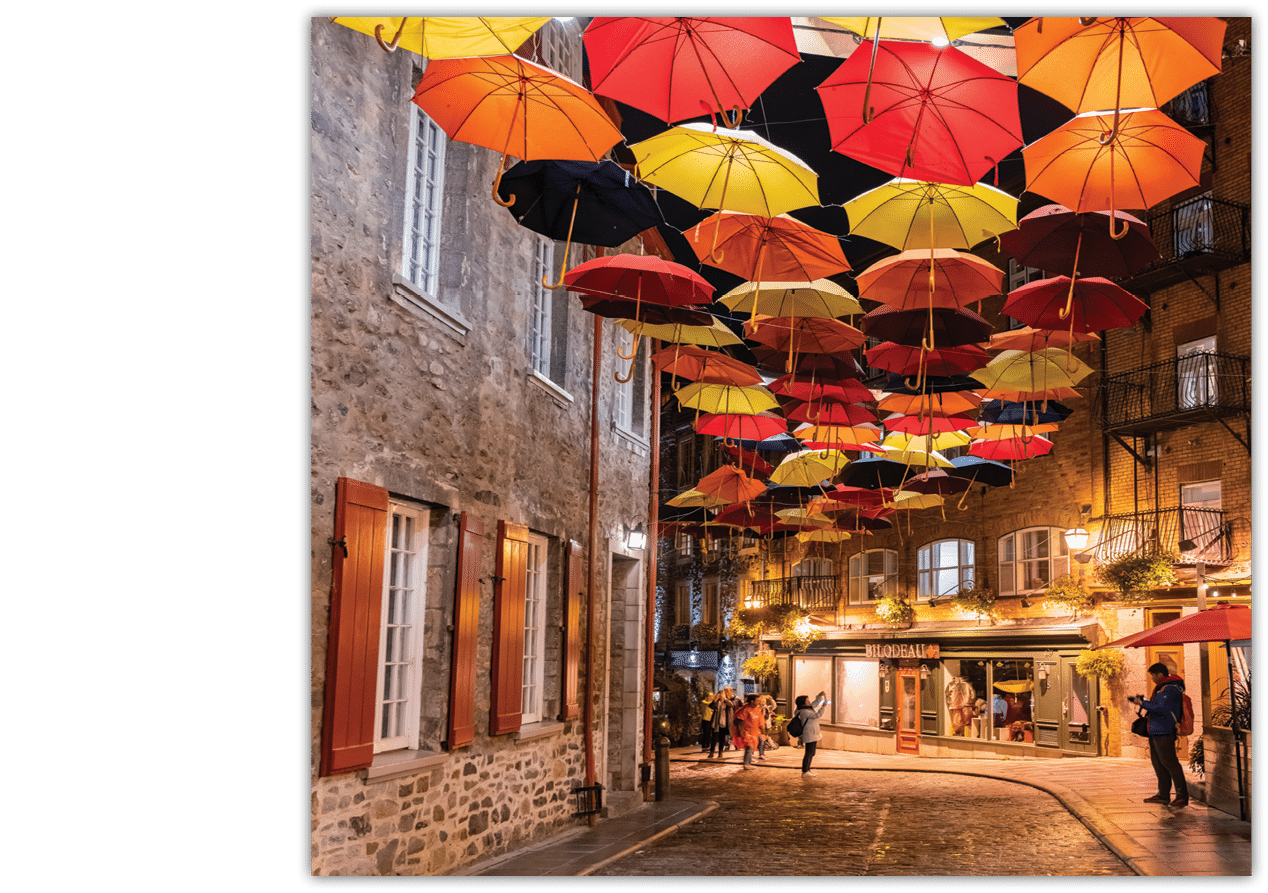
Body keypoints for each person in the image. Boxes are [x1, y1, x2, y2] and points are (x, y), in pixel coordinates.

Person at [1130, 662, 1189, 808]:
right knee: (1158, 764)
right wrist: (1143, 702)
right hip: (1156, 730)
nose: (1152, 679)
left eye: (1153, 675)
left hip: (1164, 731)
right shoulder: (1163, 688)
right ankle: (1163, 794)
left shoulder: (1169, 689)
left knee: (1170, 763)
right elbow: (1158, 706)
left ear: (1159, 675)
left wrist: (1142, 703)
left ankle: (1182, 796)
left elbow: (1161, 708)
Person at [793, 690, 829, 777]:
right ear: (803, 703)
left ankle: (808, 770)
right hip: (809, 734)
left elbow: (815, 703)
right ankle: (805, 771)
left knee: (812, 752)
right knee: (809, 752)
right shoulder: (804, 711)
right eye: (807, 701)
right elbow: (817, 715)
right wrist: (823, 707)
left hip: (813, 733)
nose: (809, 702)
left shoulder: (805, 708)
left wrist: (819, 696)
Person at [733, 694, 764, 769]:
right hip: (746, 732)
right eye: (757, 700)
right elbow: (739, 721)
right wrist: (739, 733)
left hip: (754, 732)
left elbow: (760, 721)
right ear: (752, 701)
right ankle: (747, 764)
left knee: (752, 746)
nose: (759, 702)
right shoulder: (745, 709)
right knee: (749, 747)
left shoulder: (757, 709)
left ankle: (748, 761)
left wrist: (762, 731)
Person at [707, 687, 738, 757]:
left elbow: (732, 705)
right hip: (715, 722)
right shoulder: (717, 701)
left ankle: (720, 752)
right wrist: (715, 699)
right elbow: (710, 706)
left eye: (722, 694)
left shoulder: (727, 701)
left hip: (724, 722)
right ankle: (711, 752)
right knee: (714, 738)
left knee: (722, 738)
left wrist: (725, 699)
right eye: (720, 694)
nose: (721, 695)